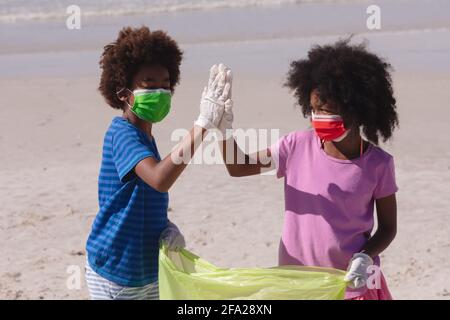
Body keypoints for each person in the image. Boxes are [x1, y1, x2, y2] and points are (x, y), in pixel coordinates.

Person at [218, 39, 399, 300]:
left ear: (357, 109)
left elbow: (388, 228)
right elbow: (238, 167)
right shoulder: (295, 147)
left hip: (350, 285)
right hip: (297, 285)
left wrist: (365, 255)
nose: (317, 118)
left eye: (326, 110)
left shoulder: (379, 164)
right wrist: (223, 128)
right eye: (313, 109)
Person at [85, 26, 231, 300]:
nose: (161, 92)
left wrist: (165, 227)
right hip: (117, 272)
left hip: (148, 271)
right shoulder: (121, 134)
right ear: (123, 92)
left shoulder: (145, 138)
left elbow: (141, 198)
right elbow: (160, 179)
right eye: (149, 85)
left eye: (166, 85)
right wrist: (201, 125)